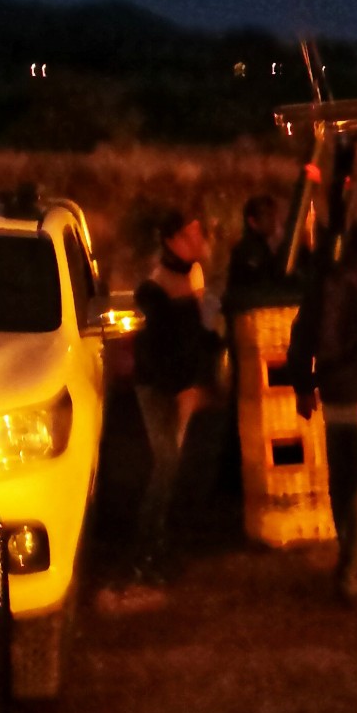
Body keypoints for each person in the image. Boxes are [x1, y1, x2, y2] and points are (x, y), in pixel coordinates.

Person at [293, 214, 357, 599]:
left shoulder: (326, 283)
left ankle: (353, 559)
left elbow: (302, 334)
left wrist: (304, 385)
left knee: (343, 483)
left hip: (334, 396)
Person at [130, 209, 220, 584]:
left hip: (182, 385)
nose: (199, 241)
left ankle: (161, 542)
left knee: (175, 465)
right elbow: (156, 349)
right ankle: (145, 548)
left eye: (200, 233)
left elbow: (197, 334)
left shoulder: (190, 276)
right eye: (191, 234)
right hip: (161, 388)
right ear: (171, 241)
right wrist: (182, 387)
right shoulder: (155, 288)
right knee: (165, 464)